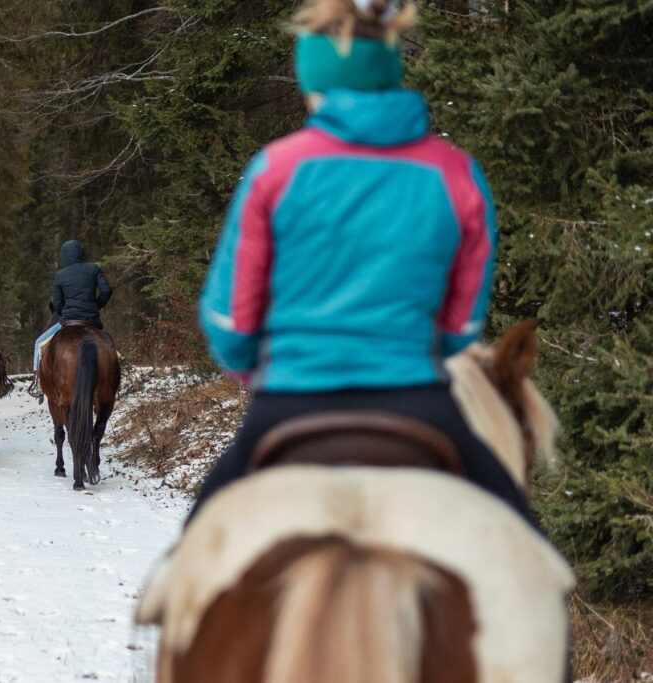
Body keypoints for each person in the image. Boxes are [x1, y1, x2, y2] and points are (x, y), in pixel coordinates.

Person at [187, 0, 538, 531]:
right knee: (528, 552)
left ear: (316, 83)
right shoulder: (456, 174)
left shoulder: (275, 171)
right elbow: (462, 325)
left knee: (195, 548)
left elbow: (232, 323)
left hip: (291, 401)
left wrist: (252, 367)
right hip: (418, 401)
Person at [28, 240, 113, 398]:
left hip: (68, 319)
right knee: (109, 346)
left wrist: (65, 312)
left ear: (64, 256)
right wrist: (96, 305)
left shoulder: (60, 275)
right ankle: (113, 380)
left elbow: (57, 303)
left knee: (39, 344)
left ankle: (38, 383)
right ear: (81, 253)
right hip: (91, 321)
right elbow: (107, 290)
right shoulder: (93, 268)